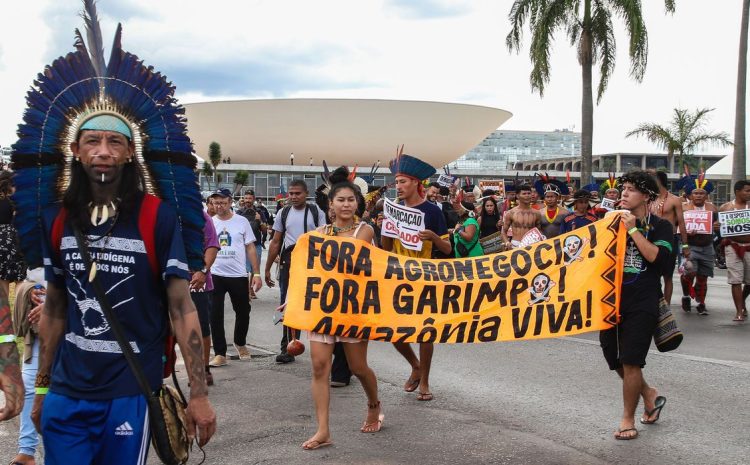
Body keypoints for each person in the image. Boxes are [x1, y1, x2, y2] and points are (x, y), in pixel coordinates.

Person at [10, 8, 216, 461]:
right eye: (93, 141)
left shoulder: (156, 217)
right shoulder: (56, 219)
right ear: (76, 149)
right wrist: (42, 389)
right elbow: (58, 307)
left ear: (129, 154)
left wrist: (198, 393)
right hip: (66, 394)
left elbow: (182, 308)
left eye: (115, 142)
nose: (103, 151)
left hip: (131, 392)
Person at [290, 178, 383, 450]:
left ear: (358, 203)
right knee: (319, 367)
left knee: (358, 368)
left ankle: (373, 405)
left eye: (351, 200)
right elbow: (308, 271)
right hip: (324, 308)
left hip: (354, 310)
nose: (346, 204)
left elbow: (351, 258)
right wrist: (293, 298)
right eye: (340, 200)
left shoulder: (364, 231)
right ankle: (323, 430)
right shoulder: (319, 233)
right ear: (330, 205)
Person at [600, 170, 672, 441]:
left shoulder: (661, 226)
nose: (624, 194)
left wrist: (632, 229)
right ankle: (649, 393)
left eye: (631, 189)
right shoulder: (608, 222)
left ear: (647, 196)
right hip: (609, 299)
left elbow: (661, 261)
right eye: (623, 189)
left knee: (631, 361)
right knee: (614, 359)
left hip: (643, 299)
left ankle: (627, 418)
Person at [379, 150, 451, 401]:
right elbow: (385, 250)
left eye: (403, 182)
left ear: (416, 184)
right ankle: (415, 365)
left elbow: (448, 249)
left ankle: (426, 381)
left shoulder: (433, 211)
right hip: (398, 278)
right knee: (393, 331)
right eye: (396, 182)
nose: (398, 186)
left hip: (426, 277)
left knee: (425, 332)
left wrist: (432, 237)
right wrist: (385, 231)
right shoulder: (392, 210)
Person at [265, 180, 327, 364]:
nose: (293, 196)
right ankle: (288, 347)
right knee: (287, 303)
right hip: (290, 261)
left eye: (297, 193)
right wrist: (267, 268)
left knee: (316, 302)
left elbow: (325, 240)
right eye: (291, 193)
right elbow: (276, 242)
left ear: (305, 193)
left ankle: (325, 347)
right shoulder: (283, 213)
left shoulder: (317, 212)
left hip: (313, 260)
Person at [209, 188, 263, 366]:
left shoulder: (241, 222)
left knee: (243, 311)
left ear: (230, 202)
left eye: (223, 202)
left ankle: (240, 342)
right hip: (215, 274)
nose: (219, 206)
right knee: (214, 313)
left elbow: (250, 248)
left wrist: (256, 273)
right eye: (216, 202)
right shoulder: (209, 222)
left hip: (238, 274)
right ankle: (220, 352)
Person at [9, 269, 45, 465]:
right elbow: (24, 279)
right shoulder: (35, 246)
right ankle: (26, 451)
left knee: (58, 392)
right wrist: (29, 290)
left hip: (72, 327)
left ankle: (53, 455)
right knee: (30, 384)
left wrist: (55, 305)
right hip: (38, 331)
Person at [679, 174, 718, 315]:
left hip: (707, 246)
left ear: (707, 195)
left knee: (703, 277)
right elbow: (678, 228)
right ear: (690, 195)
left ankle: (701, 303)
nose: (699, 196)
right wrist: (686, 236)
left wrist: (717, 226)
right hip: (690, 246)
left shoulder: (712, 208)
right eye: (696, 193)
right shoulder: (683, 208)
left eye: (702, 193)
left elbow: (717, 226)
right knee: (689, 273)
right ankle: (686, 296)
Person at [649, 171, 690, 305]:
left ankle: (667, 307)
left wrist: (685, 245)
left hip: (669, 240)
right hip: (650, 239)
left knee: (668, 276)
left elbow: (681, 223)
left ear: (659, 181)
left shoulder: (674, 200)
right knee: (652, 275)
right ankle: (653, 303)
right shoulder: (648, 198)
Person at [190, 211, 220, 384]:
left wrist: (202, 271)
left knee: (200, 328)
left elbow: (212, 245)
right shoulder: (162, 212)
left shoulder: (201, 217)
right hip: (169, 280)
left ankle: (204, 370)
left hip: (197, 281)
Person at [718, 179, 750, 321]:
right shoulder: (725, 208)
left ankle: (742, 300)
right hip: (732, 246)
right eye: (747, 191)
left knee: (749, 282)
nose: (749, 193)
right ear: (737, 191)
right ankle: (738, 311)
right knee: (735, 280)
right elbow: (718, 228)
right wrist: (716, 227)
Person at [0, 171, 26, 298]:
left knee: (2, 280)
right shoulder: (15, 201)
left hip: (0, 240)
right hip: (15, 239)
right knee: (20, 280)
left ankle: (5, 315)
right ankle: (19, 312)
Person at [238, 190, 263, 299]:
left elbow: (265, 229)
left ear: (253, 199)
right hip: (243, 245)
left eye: (250, 198)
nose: (247, 200)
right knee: (245, 269)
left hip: (256, 243)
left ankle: (251, 288)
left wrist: (260, 220)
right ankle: (247, 290)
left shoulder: (259, 212)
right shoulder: (239, 212)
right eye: (246, 198)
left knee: (254, 268)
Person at [501, 184, 541, 248]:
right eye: (524, 194)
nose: (527, 196)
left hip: (532, 245)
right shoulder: (511, 213)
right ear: (517, 196)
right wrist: (507, 242)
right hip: (515, 245)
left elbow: (539, 231)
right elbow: (503, 231)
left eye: (529, 193)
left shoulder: (537, 213)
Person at [534, 174, 569, 239]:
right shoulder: (539, 213)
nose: (549, 199)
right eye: (547, 197)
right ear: (544, 198)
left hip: (559, 244)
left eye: (552, 197)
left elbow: (567, 230)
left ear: (557, 197)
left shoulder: (565, 213)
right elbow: (537, 229)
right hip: (544, 244)